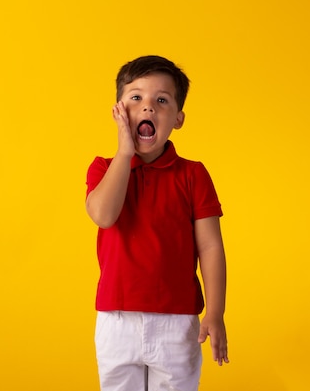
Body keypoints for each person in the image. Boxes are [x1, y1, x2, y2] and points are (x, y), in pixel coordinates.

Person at [85, 55, 228, 391]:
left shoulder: (193, 174)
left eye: (161, 101)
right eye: (136, 98)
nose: (148, 108)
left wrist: (216, 312)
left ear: (178, 118)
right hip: (116, 318)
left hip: (177, 321)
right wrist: (124, 153)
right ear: (119, 110)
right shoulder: (102, 169)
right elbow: (104, 215)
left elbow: (210, 246)